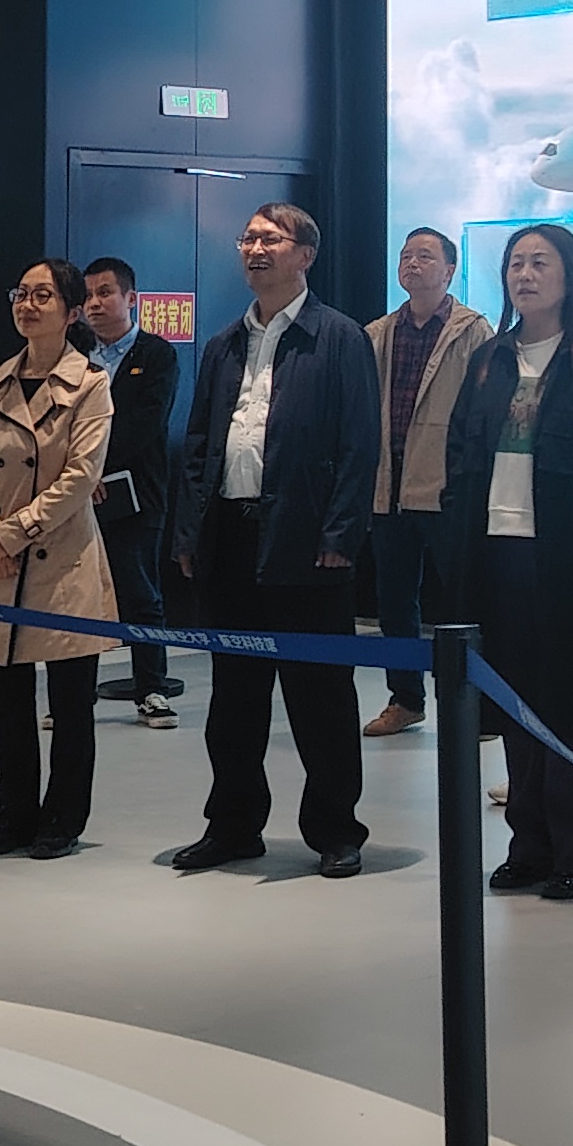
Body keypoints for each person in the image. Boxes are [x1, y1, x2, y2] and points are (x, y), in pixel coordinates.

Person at [170, 203, 380, 878]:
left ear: (305, 255)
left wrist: (341, 533)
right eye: (248, 239)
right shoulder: (223, 344)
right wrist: (189, 531)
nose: (255, 249)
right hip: (229, 538)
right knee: (233, 698)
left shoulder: (339, 338)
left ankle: (335, 830)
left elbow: (360, 446)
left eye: (270, 239)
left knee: (320, 697)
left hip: (306, 538)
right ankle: (233, 826)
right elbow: (198, 445)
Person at [437, 224, 573, 899]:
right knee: (514, 704)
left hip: (568, 562)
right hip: (494, 552)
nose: (524, 275)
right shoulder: (490, 359)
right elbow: (461, 453)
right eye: (516, 264)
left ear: (569, 276)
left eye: (540, 263)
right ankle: (528, 846)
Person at [0, 258, 115, 857]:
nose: (27, 305)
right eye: (21, 293)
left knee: (71, 704)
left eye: (42, 295)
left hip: (59, 559)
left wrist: (15, 533)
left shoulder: (90, 384)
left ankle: (63, 817)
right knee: (8, 701)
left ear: (71, 312)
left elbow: (81, 476)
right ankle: (12, 812)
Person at [366, 226, 492, 737]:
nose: (412, 264)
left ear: (450, 270)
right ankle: (405, 699)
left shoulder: (473, 331)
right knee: (394, 603)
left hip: (446, 488)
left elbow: (482, 415)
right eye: (405, 256)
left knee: (460, 602)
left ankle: (473, 706)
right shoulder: (377, 333)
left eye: (424, 256)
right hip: (387, 485)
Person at [80, 255, 185, 727]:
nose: (94, 303)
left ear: (130, 298)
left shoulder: (156, 354)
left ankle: (152, 689)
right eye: (87, 295)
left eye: (105, 293)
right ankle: (75, 694)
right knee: (80, 596)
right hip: (79, 497)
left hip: (136, 495)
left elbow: (145, 423)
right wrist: (81, 477)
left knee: (141, 594)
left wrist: (95, 468)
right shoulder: (75, 356)